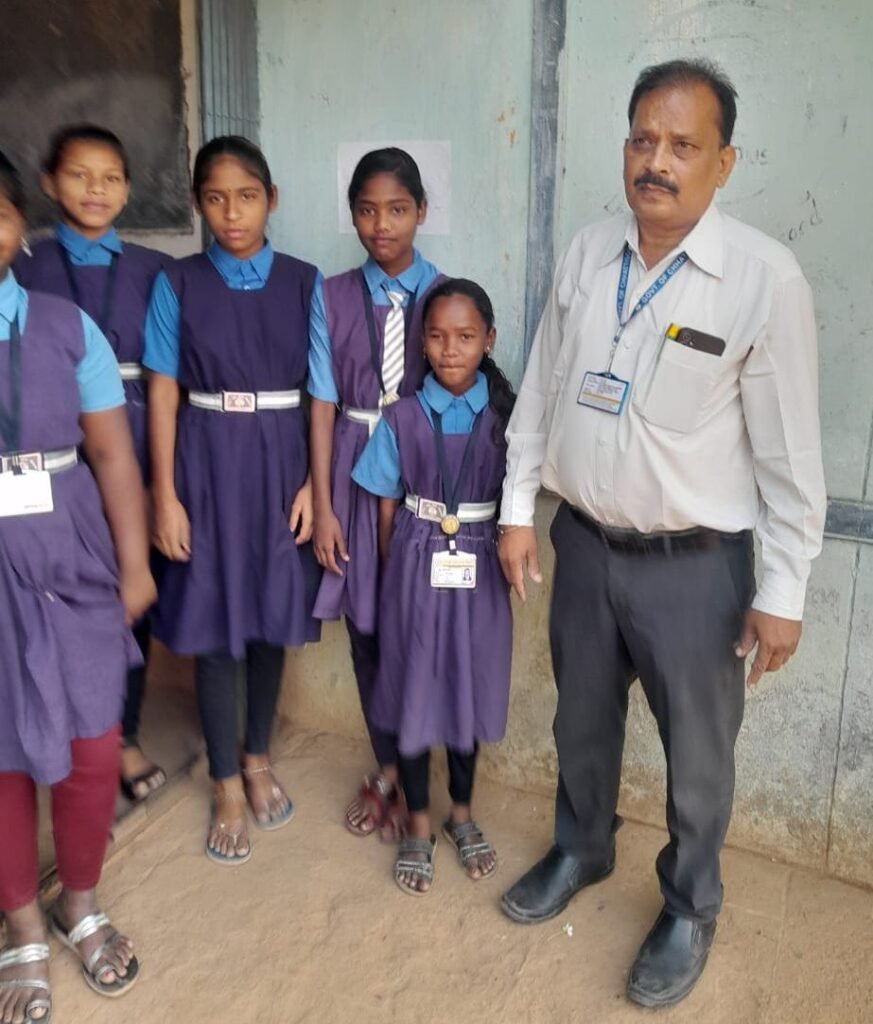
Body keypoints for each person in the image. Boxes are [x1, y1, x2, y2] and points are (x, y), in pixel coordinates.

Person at [497, 59, 826, 1007]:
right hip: (584, 545)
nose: (657, 161)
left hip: (695, 568)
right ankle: (581, 847)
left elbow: (789, 456)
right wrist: (518, 511)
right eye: (643, 139)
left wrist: (783, 591)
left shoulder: (761, 278)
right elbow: (542, 389)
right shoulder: (587, 252)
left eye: (683, 145)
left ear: (722, 162)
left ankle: (688, 904)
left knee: (697, 754)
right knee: (579, 719)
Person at [0, 150, 154, 1022]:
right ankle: (23, 924)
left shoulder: (65, 327)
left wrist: (134, 565)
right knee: (3, 759)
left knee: (94, 749)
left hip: (72, 560)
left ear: (21, 223)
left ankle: (80, 901)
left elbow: (112, 455)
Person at [143, 136, 320, 866]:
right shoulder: (178, 282)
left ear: (271, 199)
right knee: (216, 622)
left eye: (246, 197)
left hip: (281, 463)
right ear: (197, 204)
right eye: (215, 198)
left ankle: (256, 756)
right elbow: (161, 390)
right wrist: (164, 495)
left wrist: (314, 484)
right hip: (206, 461)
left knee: (272, 618)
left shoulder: (304, 282)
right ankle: (223, 780)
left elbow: (321, 393)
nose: (231, 213)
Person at [15, 123, 167, 804]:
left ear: (128, 189)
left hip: (131, 441)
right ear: (49, 184)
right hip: (51, 453)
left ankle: (122, 734)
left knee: (132, 591)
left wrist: (164, 480)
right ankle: (49, 735)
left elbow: (167, 374)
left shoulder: (153, 270)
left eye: (110, 178)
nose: (95, 190)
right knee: (48, 599)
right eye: (78, 175)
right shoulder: (24, 267)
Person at [352, 278, 514, 895]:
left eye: (465, 337)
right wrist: (396, 569)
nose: (451, 349)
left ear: (488, 340)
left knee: (469, 689)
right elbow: (384, 506)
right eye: (439, 337)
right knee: (414, 695)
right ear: (422, 342)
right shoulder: (401, 418)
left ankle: (461, 814)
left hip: (481, 568)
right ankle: (418, 822)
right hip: (415, 565)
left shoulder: (505, 419)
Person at [308, 148, 443, 841]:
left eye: (396, 209)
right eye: (366, 210)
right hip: (352, 476)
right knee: (365, 630)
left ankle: (420, 777)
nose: (381, 225)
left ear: (421, 211)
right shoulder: (330, 295)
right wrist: (324, 504)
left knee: (416, 631)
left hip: (420, 480)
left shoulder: (445, 295)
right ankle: (388, 765)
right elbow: (321, 402)